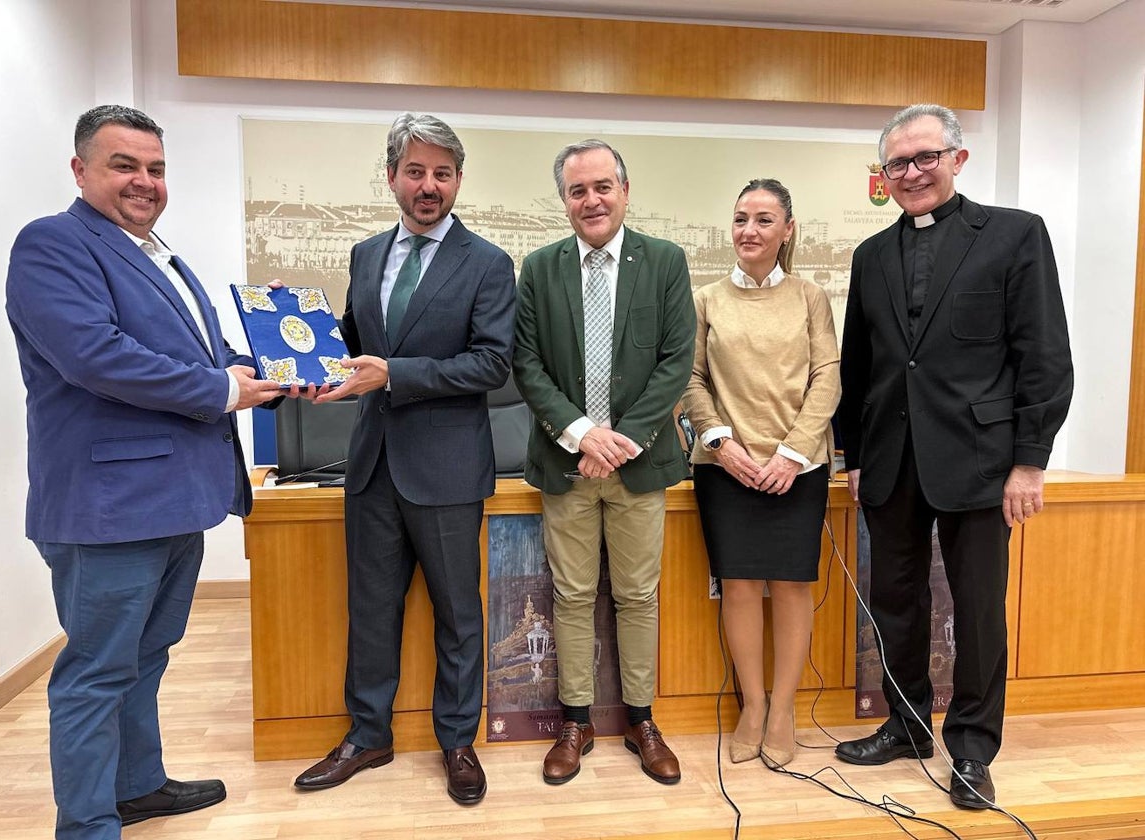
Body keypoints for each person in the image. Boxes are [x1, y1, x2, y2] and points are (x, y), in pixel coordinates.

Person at [5, 105, 285, 840]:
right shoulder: (53, 244)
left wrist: (262, 369)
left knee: (147, 656)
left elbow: (198, 353)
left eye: (155, 168)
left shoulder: (157, 252)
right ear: (81, 170)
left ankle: (136, 786)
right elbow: (95, 356)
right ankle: (89, 824)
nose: (144, 181)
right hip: (109, 506)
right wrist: (225, 390)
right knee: (96, 673)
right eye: (124, 165)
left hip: (174, 501)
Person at [836, 104, 1073, 809]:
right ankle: (907, 728)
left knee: (976, 612)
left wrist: (1030, 460)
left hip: (980, 462)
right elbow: (862, 363)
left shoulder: (1014, 235)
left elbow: (1045, 355)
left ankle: (972, 747)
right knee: (896, 605)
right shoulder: (870, 255)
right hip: (889, 462)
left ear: (957, 159)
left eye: (924, 158)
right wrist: (852, 452)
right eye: (897, 164)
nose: (911, 173)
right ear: (883, 177)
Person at [292, 113, 515, 806]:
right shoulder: (364, 255)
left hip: (447, 469)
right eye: (415, 172)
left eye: (442, 174)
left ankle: (457, 740)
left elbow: (491, 363)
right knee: (372, 610)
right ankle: (368, 734)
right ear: (391, 176)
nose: (429, 186)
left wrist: (394, 374)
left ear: (457, 181)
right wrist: (298, 365)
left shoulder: (487, 262)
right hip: (373, 468)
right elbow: (353, 345)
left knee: (458, 616)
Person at [513, 139, 696, 786]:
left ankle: (642, 720)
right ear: (564, 200)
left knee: (638, 595)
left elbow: (676, 360)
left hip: (638, 465)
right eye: (577, 190)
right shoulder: (538, 268)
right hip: (567, 463)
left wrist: (622, 440)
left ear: (624, 190)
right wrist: (584, 434)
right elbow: (527, 365)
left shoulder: (666, 262)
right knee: (569, 594)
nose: (591, 199)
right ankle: (575, 721)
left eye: (601, 187)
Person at [681, 179, 839, 769]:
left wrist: (792, 454)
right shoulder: (706, 300)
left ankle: (784, 710)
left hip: (797, 469)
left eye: (765, 220)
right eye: (741, 218)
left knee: (792, 586)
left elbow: (829, 378)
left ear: (788, 229)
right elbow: (689, 381)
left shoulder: (810, 297)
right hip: (727, 469)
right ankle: (752, 705)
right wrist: (722, 445)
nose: (750, 230)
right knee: (741, 586)